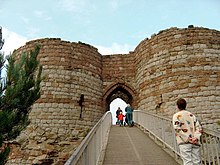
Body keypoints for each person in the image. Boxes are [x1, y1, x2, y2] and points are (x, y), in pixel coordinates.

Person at [172, 98, 202, 165]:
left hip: (184, 142)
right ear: (185, 105)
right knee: (197, 162)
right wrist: (196, 138)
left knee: (187, 162)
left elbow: (177, 128)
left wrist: (187, 138)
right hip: (195, 141)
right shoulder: (191, 115)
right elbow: (198, 127)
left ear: (177, 106)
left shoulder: (176, 116)